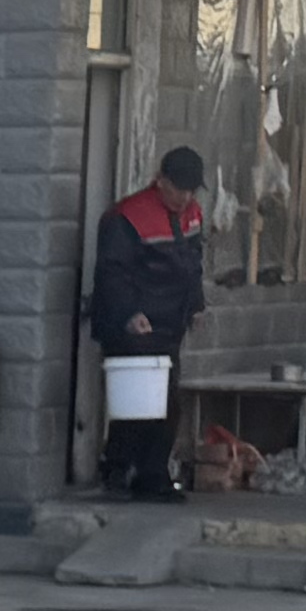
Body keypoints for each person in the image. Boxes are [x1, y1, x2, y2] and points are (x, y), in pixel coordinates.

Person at [84, 144, 211, 498]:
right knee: (140, 404)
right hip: (134, 326)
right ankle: (123, 470)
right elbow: (111, 273)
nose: (185, 197)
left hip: (169, 324)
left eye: (191, 190)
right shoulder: (127, 216)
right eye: (179, 188)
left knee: (165, 403)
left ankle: (147, 474)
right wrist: (128, 314)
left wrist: (196, 306)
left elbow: (192, 265)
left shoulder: (192, 214)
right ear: (160, 181)